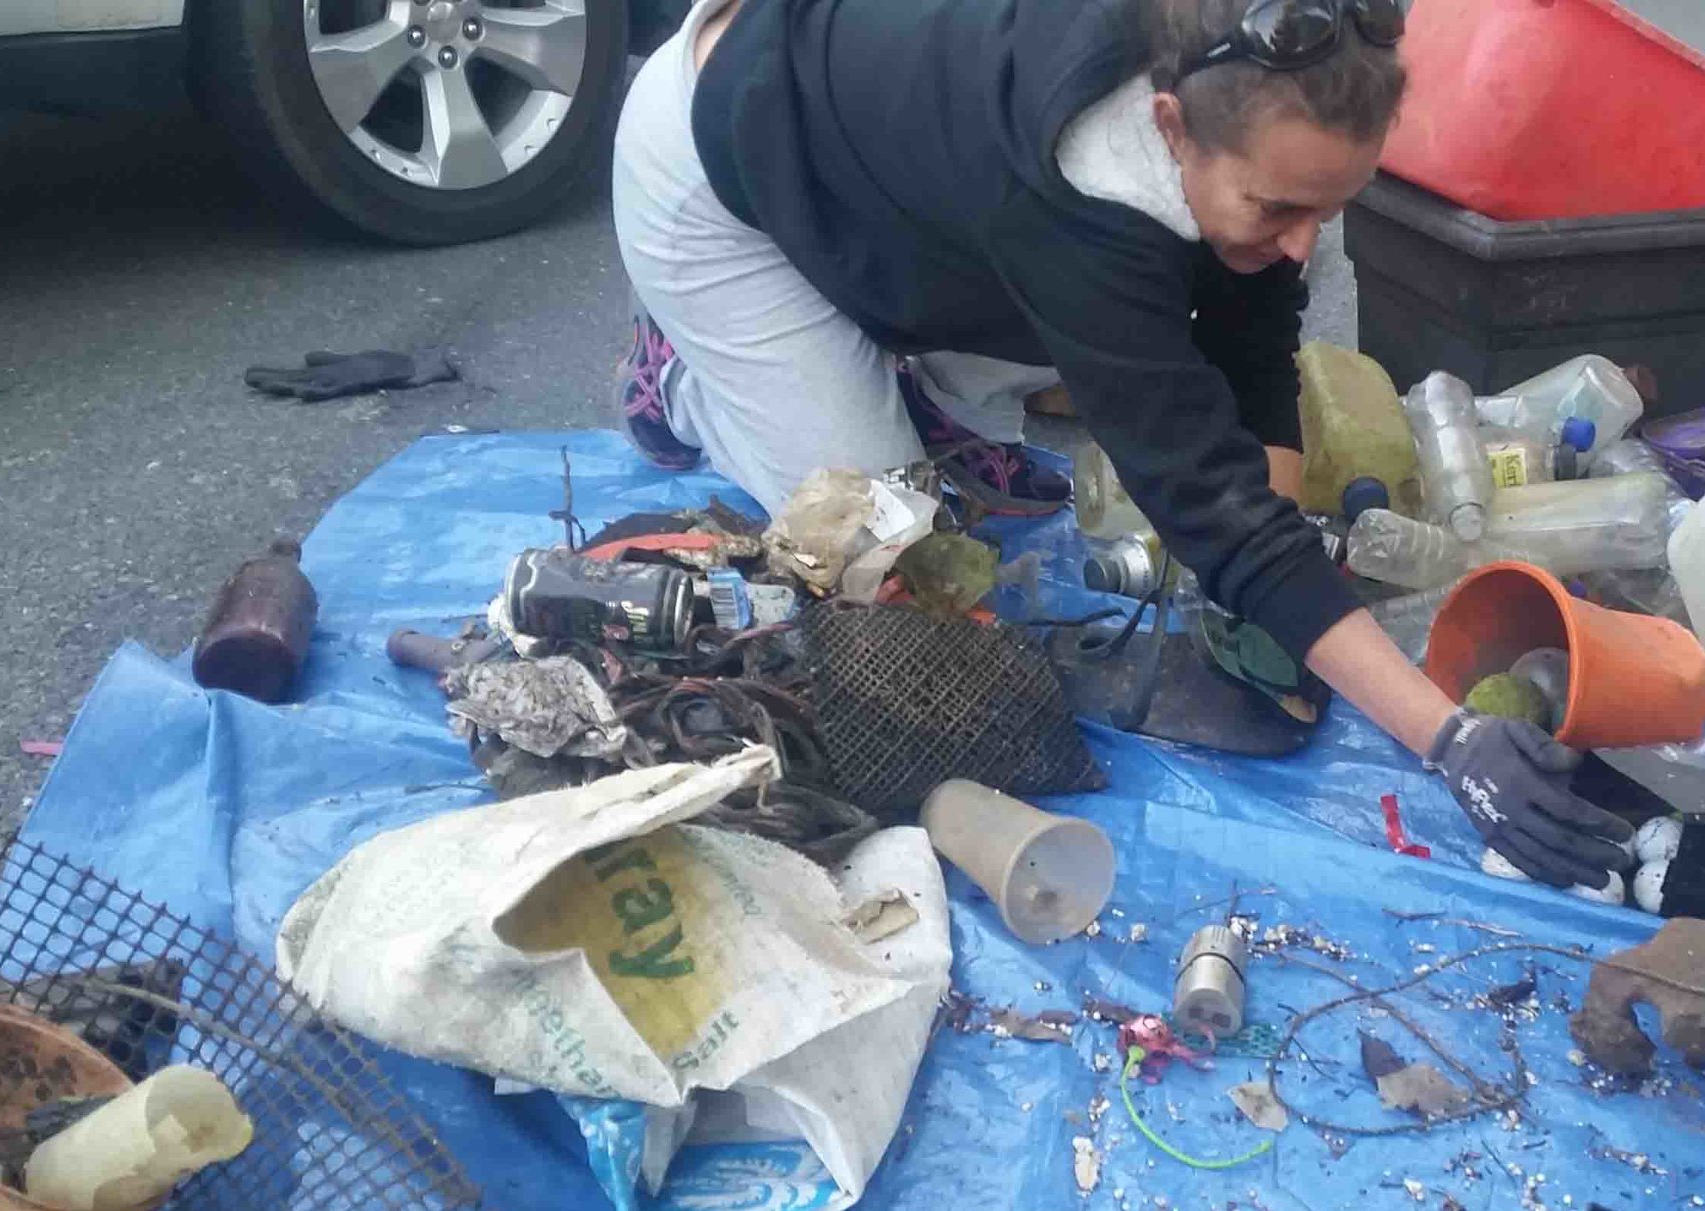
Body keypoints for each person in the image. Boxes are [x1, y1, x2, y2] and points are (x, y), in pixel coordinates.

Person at [609, 0, 1632, 888]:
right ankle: (689, 384)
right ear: (1169, 126)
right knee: (874, 541)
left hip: (899, 154)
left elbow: (1253, 343)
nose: (1302, 240)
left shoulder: (1227, 78)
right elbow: (1206, 500)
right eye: (1282, 206)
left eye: (1330, 206)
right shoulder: (1086, 190)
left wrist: (1265, 548)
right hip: (721, 165)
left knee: (1199, 272)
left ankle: (927, 402)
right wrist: (1448, 738)